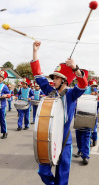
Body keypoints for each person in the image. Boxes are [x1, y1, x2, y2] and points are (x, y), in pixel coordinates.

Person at [31, 40, 88, 185]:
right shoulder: (50, 91)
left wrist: (75, 69)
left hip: (65, 140)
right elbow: (38, 75)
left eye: (56, 78)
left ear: (64, 81)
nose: (53, 80)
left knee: (62, 177)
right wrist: (35, 51)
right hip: (48, 138)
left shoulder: (71, 94)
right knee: (43, 172)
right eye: (53, 77)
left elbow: (83, 84)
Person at [74, 72, 96, 165]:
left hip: (89, 113)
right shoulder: (76, 87)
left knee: (86, 135)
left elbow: (96, 99)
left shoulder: (92, 87)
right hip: (78, 113)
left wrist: (95, 95)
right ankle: (80, 150)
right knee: (78, 134)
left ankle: (85, 155)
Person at [88, 79, 98, 147]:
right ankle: (89, 142)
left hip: (94, 114)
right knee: (87, 129)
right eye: (92, 86)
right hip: (87, 113)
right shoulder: (87, 91)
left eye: (95, 86)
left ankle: (94, 139)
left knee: (94, 129)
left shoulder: (96, 92)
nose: (94, 88)